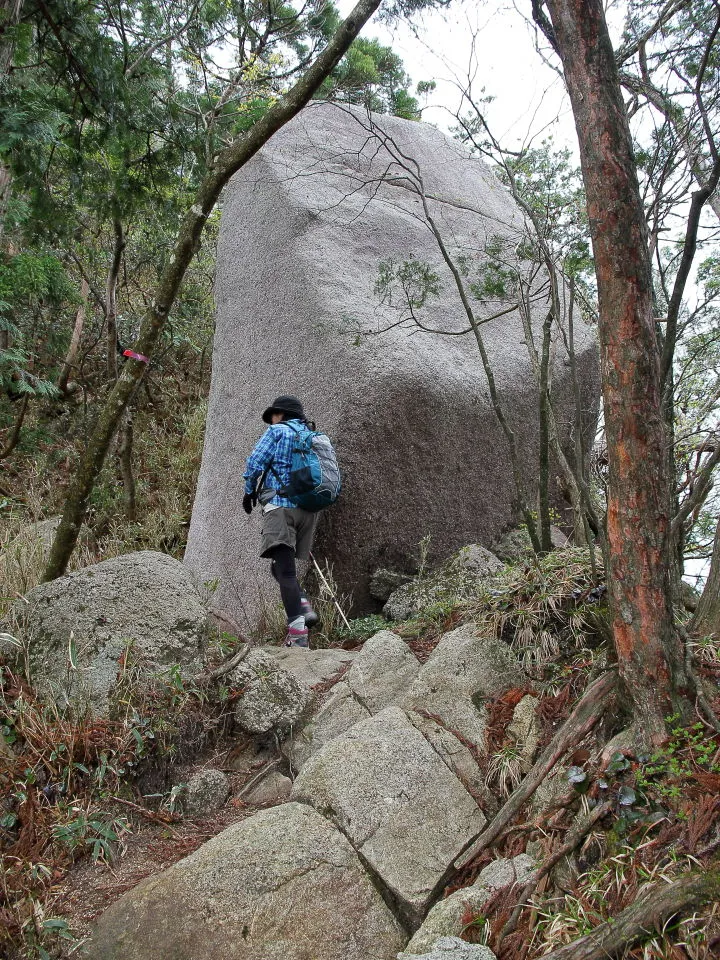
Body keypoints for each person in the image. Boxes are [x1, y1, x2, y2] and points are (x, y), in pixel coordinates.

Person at [242, 395, 319, 648]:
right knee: (279, 568)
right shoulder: (312, 435)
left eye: (274, 414)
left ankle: (298, 637)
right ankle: (303, 602)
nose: (271, 419)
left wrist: (249, 489)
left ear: (282, 415)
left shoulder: (277, 432)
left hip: (281, 508)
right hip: (307, 511)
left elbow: (255, 461)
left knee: (284, 570)